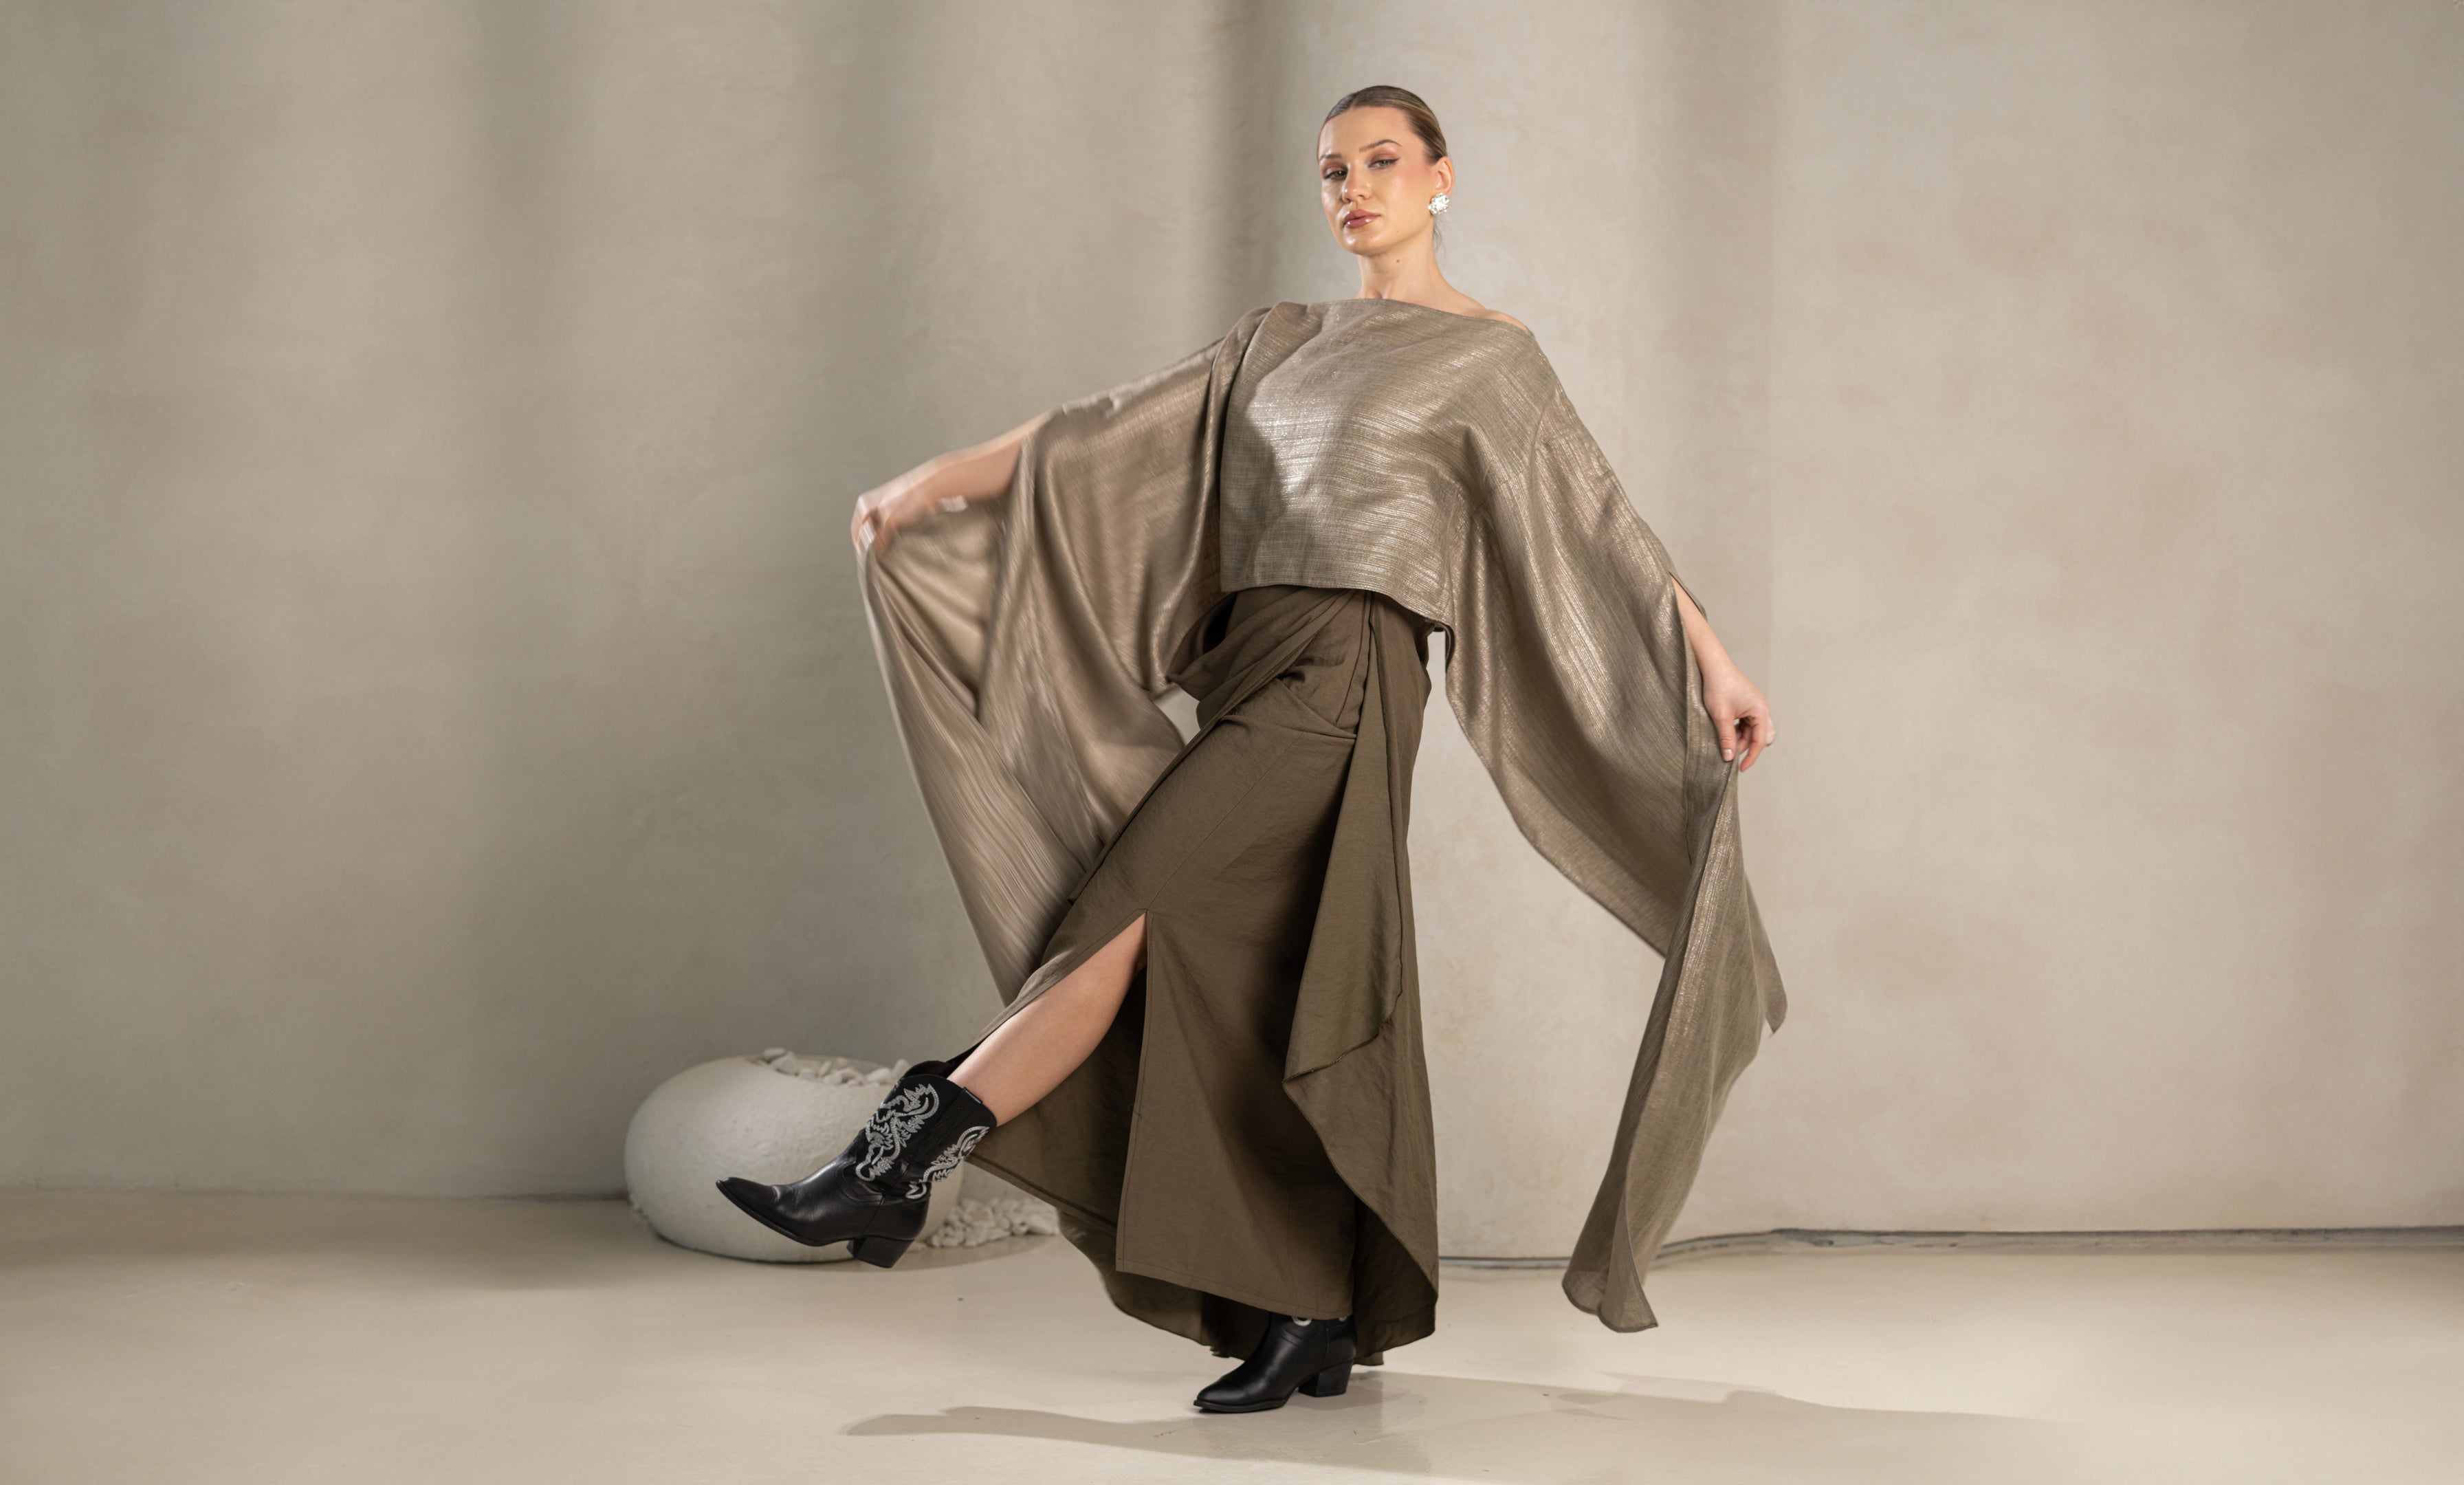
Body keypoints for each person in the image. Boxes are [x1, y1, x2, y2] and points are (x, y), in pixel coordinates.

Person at [718, 84, 1784, 1415]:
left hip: (1349, 678)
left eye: (1383, 161)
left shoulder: (1491, 361)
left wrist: (1711, 659)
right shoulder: (1277, 339)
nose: (1356, 188)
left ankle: (887, 1170)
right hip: (1249, 673)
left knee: (1121, 920)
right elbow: (1102, 436)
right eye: (1334, 169)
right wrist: (939, 481)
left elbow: (1599, 528)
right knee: (1247, 992)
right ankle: (1307, 1313)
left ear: (1441, 178)